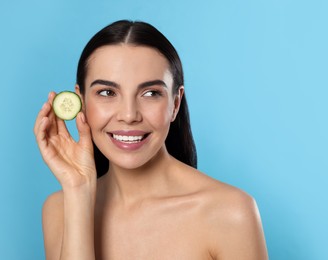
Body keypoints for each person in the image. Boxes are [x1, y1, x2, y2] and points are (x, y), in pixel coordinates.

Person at [34, 20, 268, 260]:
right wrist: (78, 190)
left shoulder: (229, 212)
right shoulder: (60, 209)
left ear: (175, 104)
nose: (129, 115)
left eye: (150, 93)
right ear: (80, 101)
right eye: (107, 93)